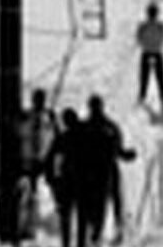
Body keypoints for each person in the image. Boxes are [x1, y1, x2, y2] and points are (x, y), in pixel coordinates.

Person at [78, 96, 136, 247]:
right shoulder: (90, 127)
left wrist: (126, 155)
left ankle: (116, 230)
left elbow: (118, 149)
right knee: (98, 204)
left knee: (113, 200)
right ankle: (97, 234)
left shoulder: (106, 127)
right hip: (94, 171)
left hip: (106, 169)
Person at [20, 88, 59, 235]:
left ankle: (52, 219)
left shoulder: (49, 115)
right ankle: (30, 220)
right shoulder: (26, 116)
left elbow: (57, 135)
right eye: (37, 99)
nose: (39, 102)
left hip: (46, 158)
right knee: (30, 190)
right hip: (30, 159)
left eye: (41, 99)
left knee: (53, 188)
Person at [44, 108, 84, 247]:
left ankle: (66, 243)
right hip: (82, 182)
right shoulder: (84, 136)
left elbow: (50, 159)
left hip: (67, 182)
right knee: (82, 218)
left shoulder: (63, 138)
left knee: (66, 218)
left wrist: (51, 180)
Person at [135, 4, 163, 114]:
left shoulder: (143, 26)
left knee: (144, 77)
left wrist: (145, 44)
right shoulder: (161, 26)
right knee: (160, 78)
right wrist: (158, 45)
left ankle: (142, 97)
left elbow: (138, 38)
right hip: (157, 53)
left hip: (146, 53)